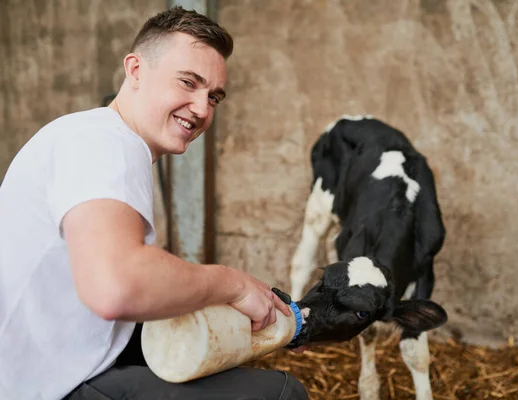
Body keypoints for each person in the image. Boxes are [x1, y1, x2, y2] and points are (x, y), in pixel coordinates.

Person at [0, 6, 308, 400]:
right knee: (282, 394)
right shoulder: (103, 143)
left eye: (213, 96)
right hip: (49, 385)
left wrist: (269, 320)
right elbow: (115, 287)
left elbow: (133, 289)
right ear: (135, 70)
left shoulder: (93, 137)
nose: (201, 108)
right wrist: (231, 285)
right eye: (187, 82)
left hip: (61, 360)